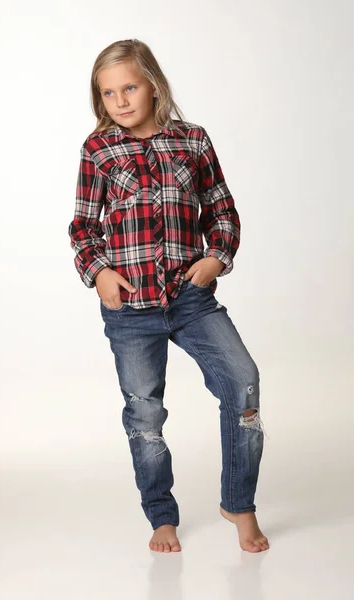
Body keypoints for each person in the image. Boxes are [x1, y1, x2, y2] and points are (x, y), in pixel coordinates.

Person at [68, 38, 269, 553]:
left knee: (242, 384)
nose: (121, 101)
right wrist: (99, 272)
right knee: (145, 414)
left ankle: (238, 505)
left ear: (152, 84)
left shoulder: (193, 141)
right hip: (130, 310)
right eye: (108, 93)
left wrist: (215, 258)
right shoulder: (98, 150)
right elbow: (83, 228)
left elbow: (222, 210)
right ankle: (161, 516)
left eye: (129, 87)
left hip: (190, 299)